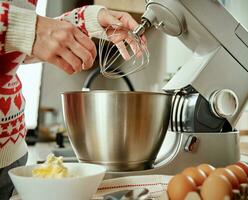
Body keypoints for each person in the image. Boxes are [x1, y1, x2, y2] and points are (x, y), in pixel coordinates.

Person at [0, 1, 142, 199]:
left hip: (11, 153)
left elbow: (11, 53)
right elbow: (16, 29)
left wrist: (83, 22)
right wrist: (28, 28)